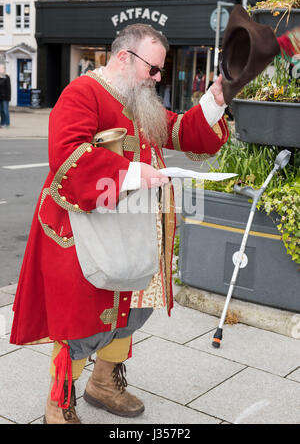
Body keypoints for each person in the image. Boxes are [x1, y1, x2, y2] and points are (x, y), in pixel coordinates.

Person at [10, 24, 229, 424]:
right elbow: (68, 156)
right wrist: (132, 174)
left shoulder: (138, 99)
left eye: (161, 70)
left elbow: (180, 131)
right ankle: (59, 402)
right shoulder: (81, 93)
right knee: (78, 321)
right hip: (81, 229)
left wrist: (213, 103)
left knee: (132, 308)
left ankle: (104, 382)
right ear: (125, 57)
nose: (158, 78)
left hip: (133, 229)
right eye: (154, 69)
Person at [0, 64, 11, 128]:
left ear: (3, 70)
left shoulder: (6, 77)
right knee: (1, 111)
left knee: (5, 110)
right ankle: (2, 123)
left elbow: (9, 88)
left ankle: (7, 123)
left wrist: (8, 97)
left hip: (5, 97)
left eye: (1, 69)